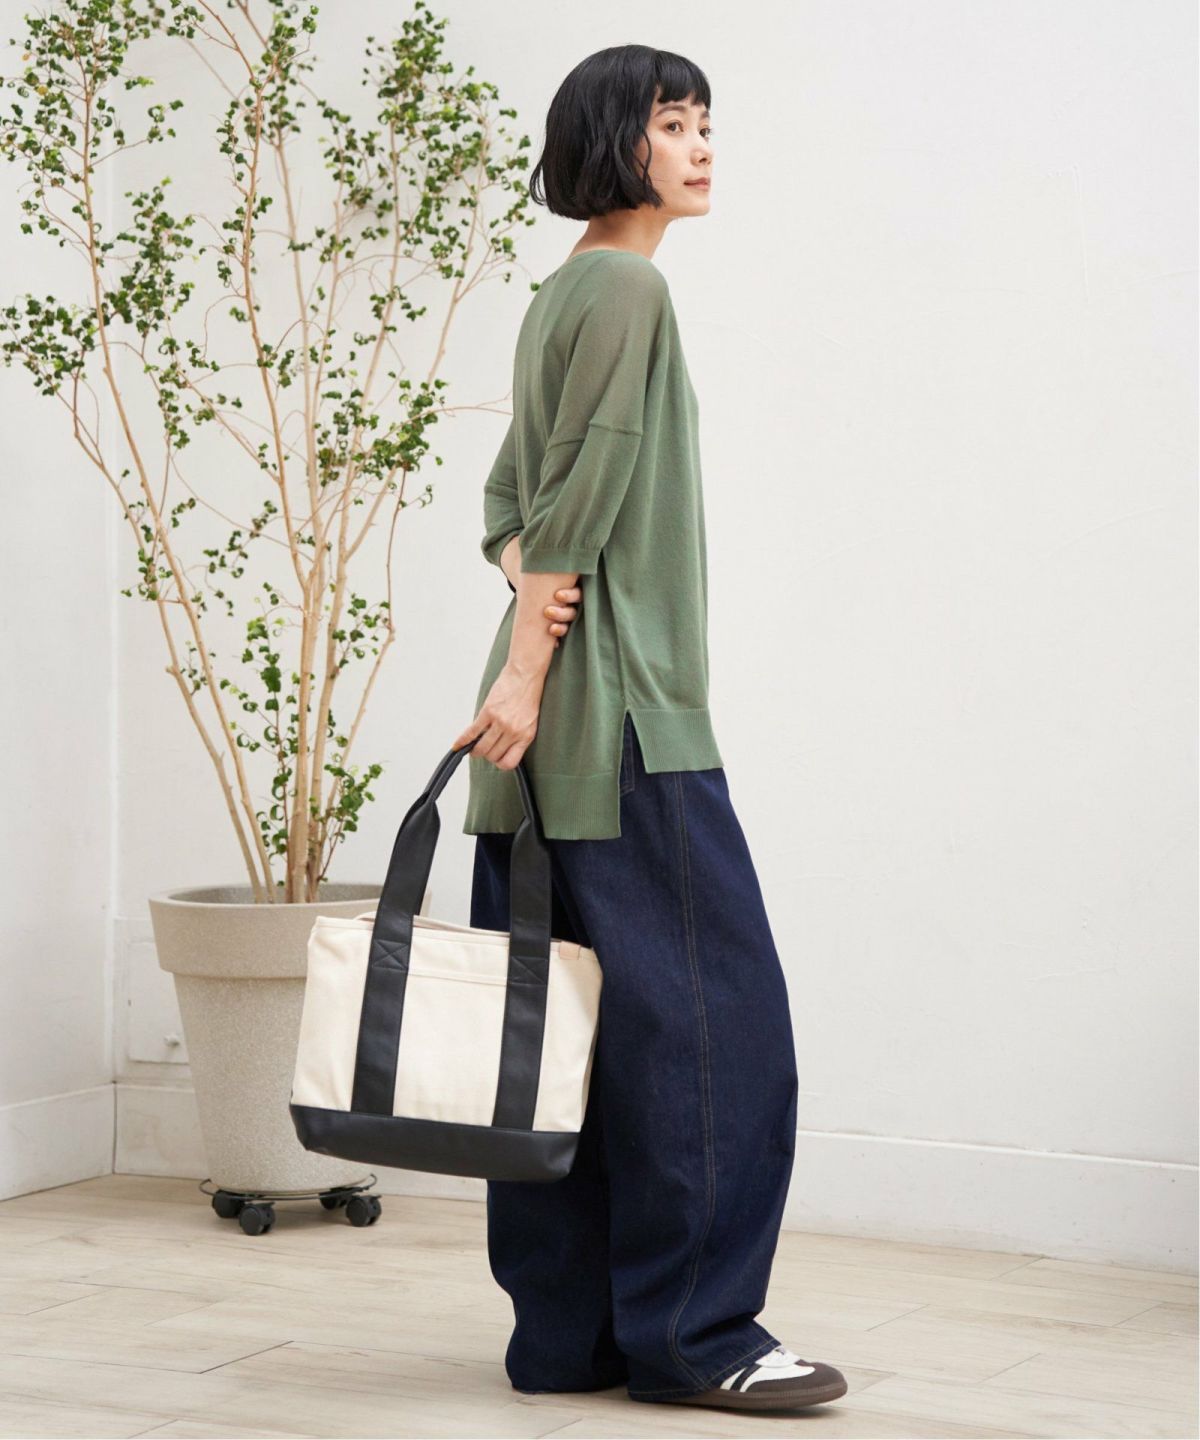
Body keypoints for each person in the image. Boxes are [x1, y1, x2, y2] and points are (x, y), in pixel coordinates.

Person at [451, 44, 847, 1415]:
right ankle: (700, 1337)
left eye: (705, 124)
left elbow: (505, 509)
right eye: (674, 124)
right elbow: (579, 502)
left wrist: (521, 656)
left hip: (539, 741)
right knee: (713, 1040)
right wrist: (531, 669)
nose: (701, 146)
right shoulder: (628, 290)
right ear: (618, 142)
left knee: (564, 1038)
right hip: (618, 723)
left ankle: (569, 1342)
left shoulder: (563, 292)